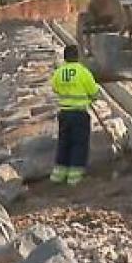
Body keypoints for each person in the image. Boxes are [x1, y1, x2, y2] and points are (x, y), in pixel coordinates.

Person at [50, 45, 101, 185]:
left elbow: (55, 88)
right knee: (79, 144)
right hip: (79, 113)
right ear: (77, 56)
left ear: (65, 57)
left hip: (64, 113)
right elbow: (94, 92)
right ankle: (74, 177)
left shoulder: (59, 72)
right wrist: (92, 97)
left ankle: (58, 175)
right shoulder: (83, 72)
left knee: (64, 142)